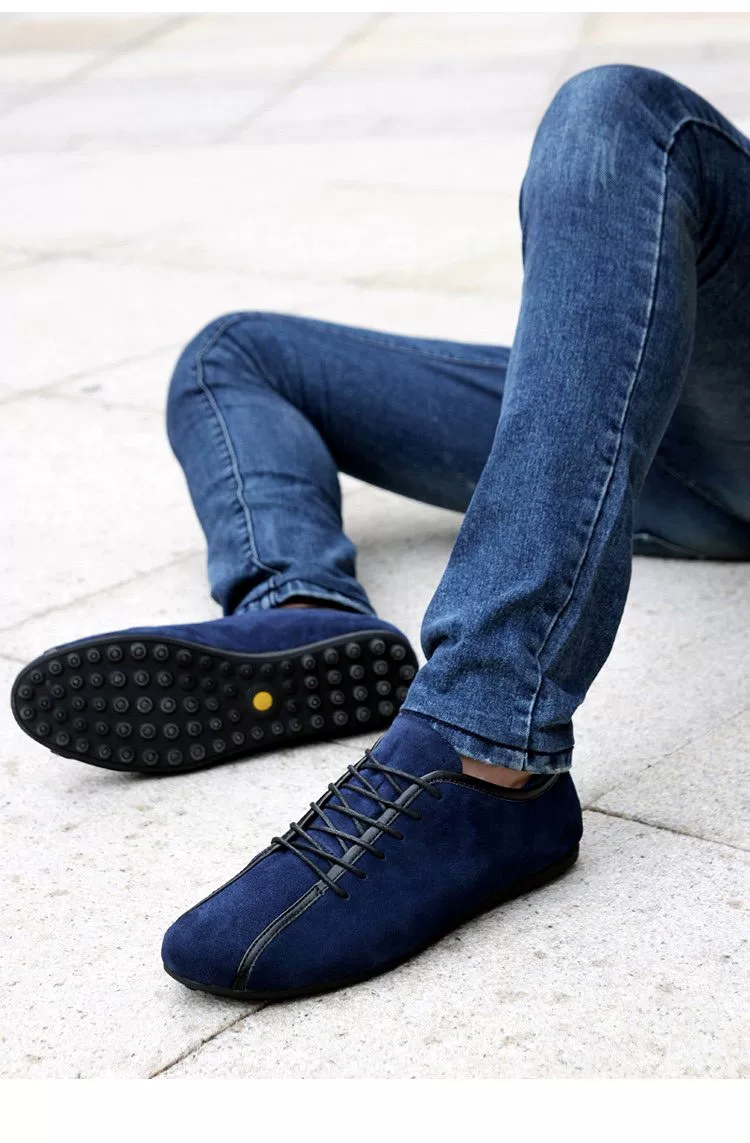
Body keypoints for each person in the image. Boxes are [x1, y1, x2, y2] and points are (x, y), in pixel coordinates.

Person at [11, 66, 750, 1001]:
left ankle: (486, 747)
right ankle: (300, 604)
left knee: (616, 116)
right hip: (680, 416)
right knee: (236, 353)